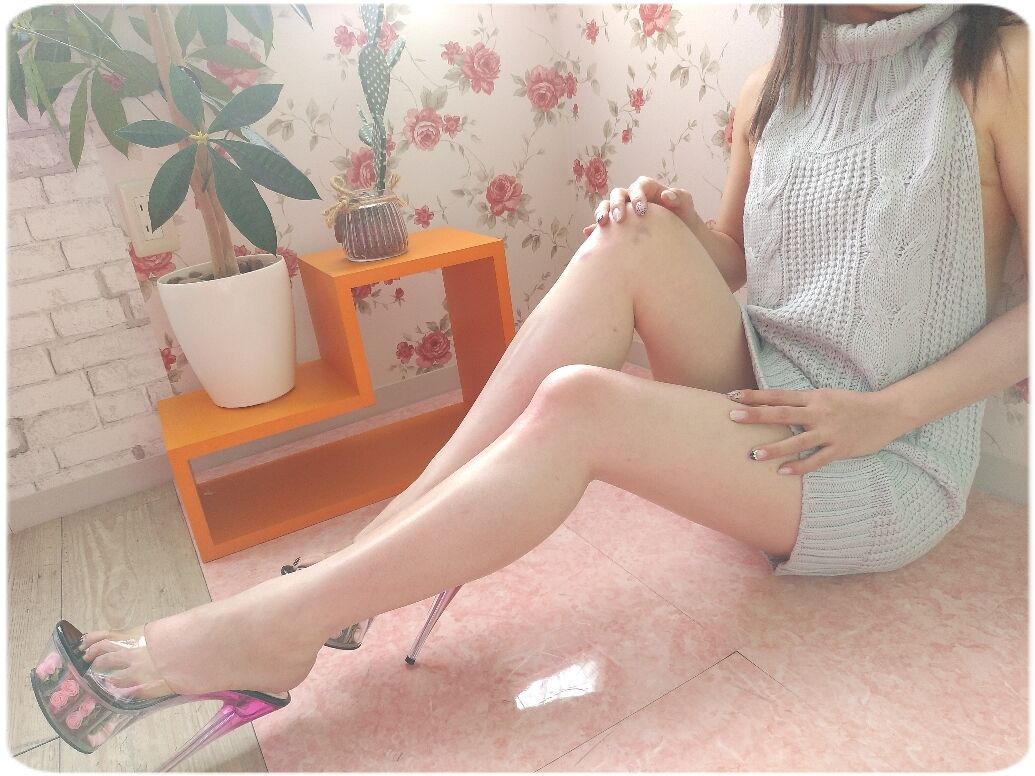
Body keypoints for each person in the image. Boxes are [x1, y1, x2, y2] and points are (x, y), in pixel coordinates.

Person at [33, 3, 1027, 767]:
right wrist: (680, 223)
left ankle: (282, 624)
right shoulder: (774, 83)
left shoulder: (995, 62)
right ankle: (367, 560)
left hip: (884, 455)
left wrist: (885, 413)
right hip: (771, 394)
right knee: (630, 233)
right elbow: (736, 258)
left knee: (580, 405)